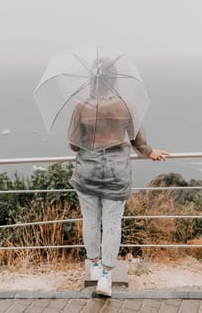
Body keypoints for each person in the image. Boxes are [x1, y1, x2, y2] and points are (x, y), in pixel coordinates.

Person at [68, 57, 168, 297]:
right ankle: (105, 277)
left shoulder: (81, 106)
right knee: (112, 224)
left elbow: (73, 145)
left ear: (92, 78)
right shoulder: (127, 105)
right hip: (116, 173)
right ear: (114, 79)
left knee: (91, 221)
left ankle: (93, 266)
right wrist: (150, 152)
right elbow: (138, 141)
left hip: (87, 173)